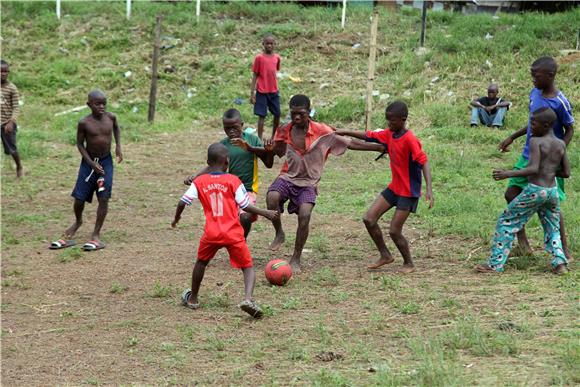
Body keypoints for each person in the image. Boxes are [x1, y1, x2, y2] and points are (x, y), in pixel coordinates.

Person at [265, 94, 384, 273]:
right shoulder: (284, 130)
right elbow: (274, 155)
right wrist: (269, 149)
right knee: (271, 197)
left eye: (301, 114)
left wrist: (378, 147)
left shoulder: (322, 131)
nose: (296, 118)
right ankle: (279, 232)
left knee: (305, 215)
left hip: (308, 183)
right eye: (293, 113)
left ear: (309, 112)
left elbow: (350, 143)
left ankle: (296, 257)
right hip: (288, 177)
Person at [172, 143, 279, 318]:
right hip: (233, 233)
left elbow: (183, 201)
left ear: (207, 161)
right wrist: (265, 212)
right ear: (227, 162)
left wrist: (176, 218)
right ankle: (248, 299)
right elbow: (245, 205)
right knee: (248, 267)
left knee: (201, 263)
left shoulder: (199, 181)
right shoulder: (233, 180)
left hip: (211, 233)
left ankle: (193, 298)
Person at [337, 101, 434, 274]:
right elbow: (368, 135)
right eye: (387, 121)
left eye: (392, 121)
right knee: (369, 218)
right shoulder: (390, 134)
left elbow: (424, 162)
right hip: (394, 188)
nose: (389, 124)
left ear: (403, 120)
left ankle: (409, 263)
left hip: (408, 192)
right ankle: (385, 255)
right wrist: (344, 131)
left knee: (395, 231)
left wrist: (429, 189)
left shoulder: (410, 139)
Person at [476, 107, 570, 275]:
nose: (531, 127)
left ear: (546, 125)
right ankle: (560, 263)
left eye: (533, 123)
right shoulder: (561, 144)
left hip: (535, 190)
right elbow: (566, 173)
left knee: (506, 221)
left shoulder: (536, 141)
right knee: (552, 228)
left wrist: (508, 174)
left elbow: (533, 168)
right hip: (552, 191)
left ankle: (495, 264)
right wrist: (548, 171)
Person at [498, 56, 574, 260]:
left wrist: (558, 152)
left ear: (551, 76)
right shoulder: (535, 93)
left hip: (549, 159)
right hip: (528, 154)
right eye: (531, 75)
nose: (532, 79)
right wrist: (512, 136)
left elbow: (570, 129)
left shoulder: (560, 101)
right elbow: (534, 121)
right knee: (511, 193)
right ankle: (523, 245)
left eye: (536, 75)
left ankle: (564, 249)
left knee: (552, 203)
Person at [50, 90, 123, 251]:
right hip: (88, 164)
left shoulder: (111, 118)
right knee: (79, 198)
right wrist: (90, 163)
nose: (102, 106)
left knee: (103, 197)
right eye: (98, 104)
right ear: (89, 104)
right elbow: (79, 144)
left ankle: (96, 234)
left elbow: (116, 129)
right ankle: (78, 221)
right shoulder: (84, 123)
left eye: (104, 103)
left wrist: (118, 146)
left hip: (105, 163)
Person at [184, 109, 273, 238]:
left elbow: (268, 163)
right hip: (226, 190)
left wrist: (267, 151)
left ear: (242, 125)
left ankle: (241, 242)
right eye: (227, 128)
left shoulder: (252, 140)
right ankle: (231, 241)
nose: (231, 131)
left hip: (247, 189)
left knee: (246, 217)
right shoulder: (223, 145)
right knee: (226, 221)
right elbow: (212, 166)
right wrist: (196, 177)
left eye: (235, 127)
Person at [250, 34, 281, 139]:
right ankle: (259, 139)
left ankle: (273, 137)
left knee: (277, 113)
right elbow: (255, 75)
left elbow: (275, 71)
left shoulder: (277, 58)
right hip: (262, 91)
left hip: (274, 91)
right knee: (261, 116)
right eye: (267, 43)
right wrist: (252, 93)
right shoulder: (259, 58)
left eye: (271, 44)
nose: (269, 46)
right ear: (263, 44)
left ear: (274, 45)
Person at [1, 59, 23, 178]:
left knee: (11, 148)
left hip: (7, 124)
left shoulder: (12, 88)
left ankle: (19, 166)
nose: (3, 74)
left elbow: (16, 107)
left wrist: (11, 122)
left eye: (5, 71)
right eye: (0, 71)